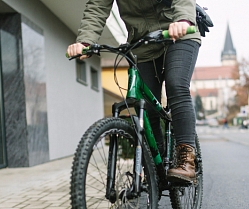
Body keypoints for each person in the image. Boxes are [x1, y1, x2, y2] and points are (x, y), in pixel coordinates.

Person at [67, 0, 201, 184]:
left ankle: (186, 158)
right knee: (145, 106)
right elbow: (97, 6)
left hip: (178, 33)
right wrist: (85, 40)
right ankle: (157, 166)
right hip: (142, 43)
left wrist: (184, 19)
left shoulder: (181, 24)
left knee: (176, 85)